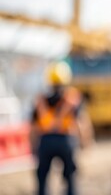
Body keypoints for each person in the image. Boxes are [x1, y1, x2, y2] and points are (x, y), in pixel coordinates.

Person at [30, 61, 93, 195]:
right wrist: (85, 143)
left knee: (42, 177)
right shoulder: (72, 99)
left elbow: (33, 127)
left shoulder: (41, 100)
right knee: (70, 176)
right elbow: (81, 122)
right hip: (66, 140)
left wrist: (34, 147)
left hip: (45, 141)